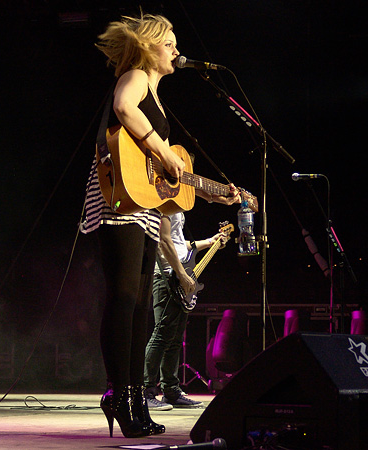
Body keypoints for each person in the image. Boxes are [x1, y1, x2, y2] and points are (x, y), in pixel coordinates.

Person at [80, 13, 240, 439]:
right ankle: (118, 392)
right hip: (119, 196)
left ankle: (135, 396)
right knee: (125, 295)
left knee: (138, 307)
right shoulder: (135, 76)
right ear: (149, 46)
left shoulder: (160, 95)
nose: (175, 50)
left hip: (147, 206)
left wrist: (210, 191)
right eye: (169, 43)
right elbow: (123, 108)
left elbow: (171, 177)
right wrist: (159, 149)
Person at [144, 213, 228, 410]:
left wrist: (210, 242)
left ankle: (171, 391)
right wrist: (181, 274)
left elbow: (180, 245)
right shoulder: (162, 206)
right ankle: (146, 391)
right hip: (167, 277)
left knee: (174, 338)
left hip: (180, 276)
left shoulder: (178, 210)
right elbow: (163, 242)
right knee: (161, 334)